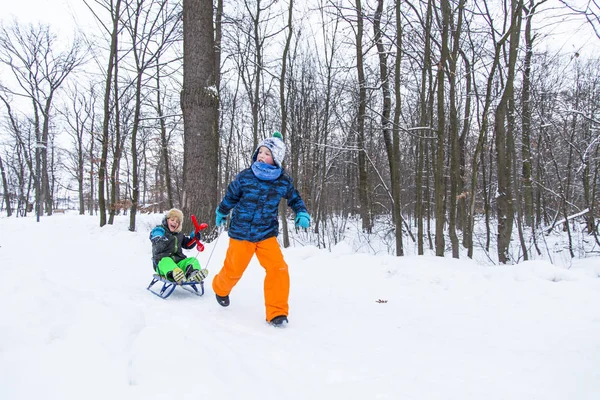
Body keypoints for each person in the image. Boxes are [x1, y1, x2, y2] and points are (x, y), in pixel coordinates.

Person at [212, 132, 310, 327]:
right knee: (233, 270)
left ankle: (277, 312)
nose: (261, 155)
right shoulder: (246, 176)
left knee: (278, 269)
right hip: (241, 233)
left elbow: (295, 198)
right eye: (260, 152)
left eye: (267, 153)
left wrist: (302, 213)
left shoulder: (283, 180)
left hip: (266, 234)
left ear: (276, 159)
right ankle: (220, 289)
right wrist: (222, 211)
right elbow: (231, 196)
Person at [149, 208, 209, 283]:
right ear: (166, 220)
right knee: (166, 261)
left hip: (178, 263)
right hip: (161, 264)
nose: (174, 222)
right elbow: (155, 232)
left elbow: (187, 245)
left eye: (177, 221)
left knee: (192, 260)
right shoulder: (161, 230)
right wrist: (157, 236)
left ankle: (193, 274)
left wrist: (194, 238)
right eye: (172, 220)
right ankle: (174, 274)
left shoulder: (179, 235)